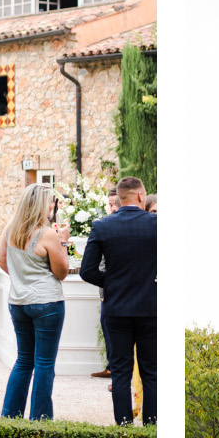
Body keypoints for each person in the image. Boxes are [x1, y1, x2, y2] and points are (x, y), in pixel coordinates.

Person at [80, 176, 157, 425]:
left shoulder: (102, 226)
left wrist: (113, 283)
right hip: (151, 308)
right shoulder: (158, 224)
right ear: (139, 197)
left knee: (121, 372)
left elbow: (87, 271)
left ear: (120, 199)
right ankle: (152, 425)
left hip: (116, 308)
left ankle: (123, 427)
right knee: (152, 372)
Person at [0, 184, 70, 420]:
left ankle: (10, 417)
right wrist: (64, 243)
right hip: (47, 302)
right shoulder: (47, 233)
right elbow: (61, 272)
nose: (53, 206)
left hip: (18, 302)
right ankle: (40, 420)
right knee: (44, 363)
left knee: (23, 360)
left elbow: (0, 260)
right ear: (41, 204)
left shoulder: (10, 229)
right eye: (51, 202)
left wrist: (22, 280)